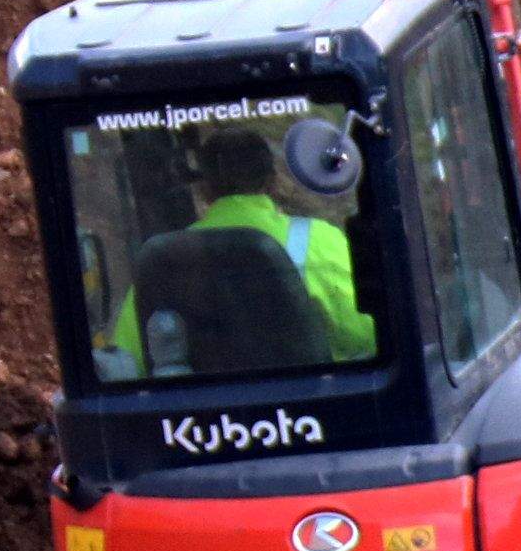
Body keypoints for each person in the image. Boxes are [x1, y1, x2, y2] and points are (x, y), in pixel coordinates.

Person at [105, 123, 374, 371]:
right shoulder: (320, 241)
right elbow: (367, 335)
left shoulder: (165, 262)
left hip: (201, 420)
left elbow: (129, 359)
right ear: (272, 180)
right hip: (313, 416)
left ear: (206, 189)